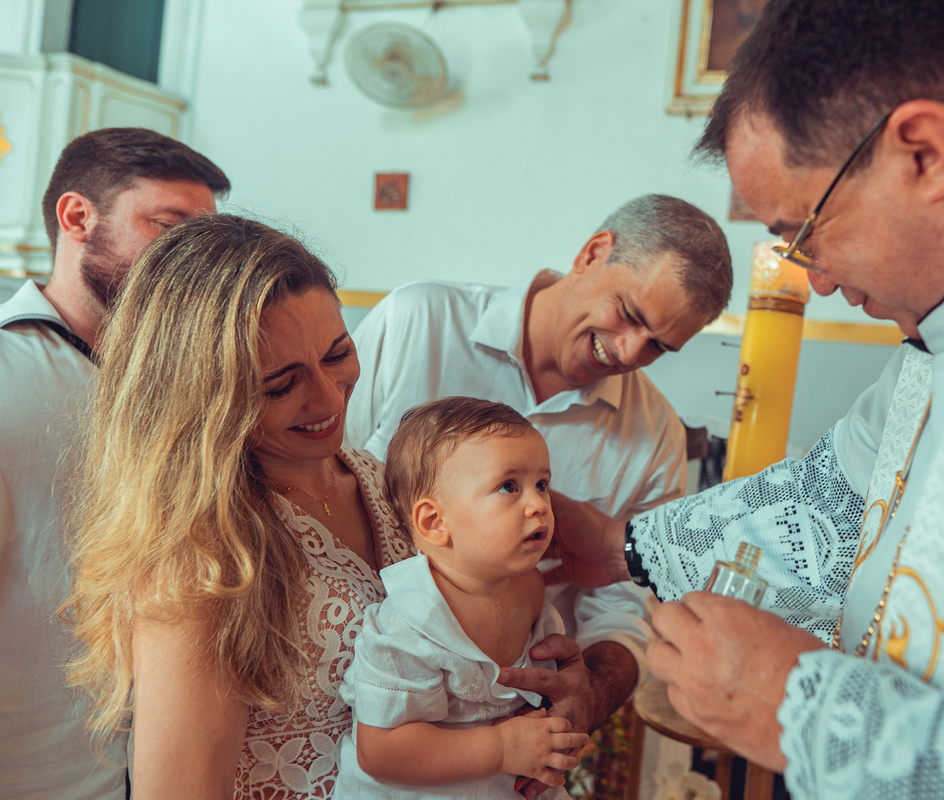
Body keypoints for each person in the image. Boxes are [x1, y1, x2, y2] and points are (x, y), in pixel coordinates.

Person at [546, 0, 944, 797]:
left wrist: (802, 711)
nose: (815, 280)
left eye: (805, 231)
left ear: (924, 152)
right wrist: (627, 546)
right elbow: (837, 495)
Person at [345, 194, 733, 739]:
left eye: (657, 347)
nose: (628, 352)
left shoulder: (654, 436)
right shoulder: (420, 322)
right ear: (594, 253)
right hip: (351, 682)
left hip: (512, 721)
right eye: (629, 314)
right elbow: (322, 478)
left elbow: (625, 606)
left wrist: (594, 691)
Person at [63, 214, 415, 799]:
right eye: (280, 385)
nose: (328, 398)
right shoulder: (201, 556)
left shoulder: (385, 482)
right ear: (202, 397)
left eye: (338, 353)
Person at [0, 127, 228, 800]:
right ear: (78, 217)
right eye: (167, 227)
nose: (187, 262)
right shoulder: (9, 374)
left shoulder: (179, 384)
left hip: (157, 765)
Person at [335, 397, 591, 799]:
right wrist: (504, 748)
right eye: (509, 486)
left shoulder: (531, 587)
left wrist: (555, 735)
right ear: (435, 523)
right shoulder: (409, 622)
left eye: (542, 484)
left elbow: (549, 691)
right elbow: (380, 750)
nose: (538, 504)